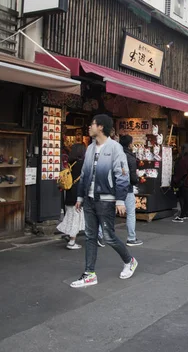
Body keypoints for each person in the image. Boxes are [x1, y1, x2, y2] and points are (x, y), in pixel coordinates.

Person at [71, 114, 137, 288]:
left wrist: (120, 200)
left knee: (108, 236)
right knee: (90, 236)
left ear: (100, 127)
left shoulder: (115, 148)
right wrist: (80, 197)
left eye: (92, 124)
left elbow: (123, 175)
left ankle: (129, 260)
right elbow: (84, 175)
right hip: (90, 199)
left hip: (107, 199)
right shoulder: (90, 148)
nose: (89, 127)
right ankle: (89, 274)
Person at [57, 143, 87, 250]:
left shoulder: (71, 163)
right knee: (76, 217)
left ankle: (70, 236)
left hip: (69, 191)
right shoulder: (82, 163)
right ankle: (72, 241)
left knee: (70, 215)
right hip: (77, 193)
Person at [120, 135, 143, 246]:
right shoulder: (130, 157)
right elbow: (132, 177)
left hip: (112, 186)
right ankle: (131, 238)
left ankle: (100, 236)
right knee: (130, 213)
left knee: (106, 212)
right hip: (127, 187)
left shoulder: (116, 154)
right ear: (129, 144)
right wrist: (137, 180)